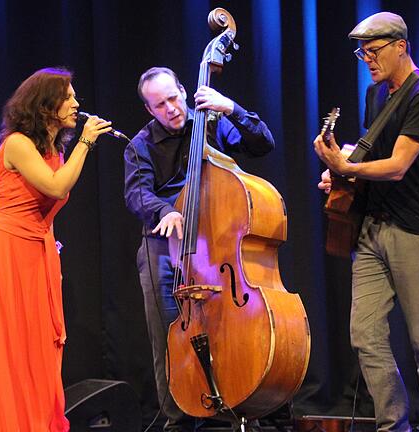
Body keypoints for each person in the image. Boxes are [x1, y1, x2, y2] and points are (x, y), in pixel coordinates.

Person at [0, 67, 113, 432]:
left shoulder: (52, 149)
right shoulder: (17, 144)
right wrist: (86, 142)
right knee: (6, 346)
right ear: (45, 105)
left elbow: (51, 199)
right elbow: (55, 187)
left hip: (36, 252)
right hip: (6, 254)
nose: (76, 103)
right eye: (67, 97)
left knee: (37, 347)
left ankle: (31, 421)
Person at [313, 12, 419, 432]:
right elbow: (373, 148)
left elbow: (397, 166)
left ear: (401, 46)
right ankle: (394, 424)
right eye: (362, 53)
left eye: (373, 51)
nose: (367, 59)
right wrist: (340, 166)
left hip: (416, 232)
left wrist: (348, 167)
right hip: (373, 229)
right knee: (365, 335)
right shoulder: (377, 94)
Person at [124, 66, 275, 431]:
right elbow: (136, 193)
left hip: (216, 246)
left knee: (230, 326)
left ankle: (238, 407)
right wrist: (165, 211)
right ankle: (177, 418)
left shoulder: (210, 122)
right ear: (149, 110)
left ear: (183, 90)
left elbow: (263, 144)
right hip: (166, 246)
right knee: (169, 336)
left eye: (174, 98)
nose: (171, 108)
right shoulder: (140, 145)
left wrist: (231, 109)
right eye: (160, 105)